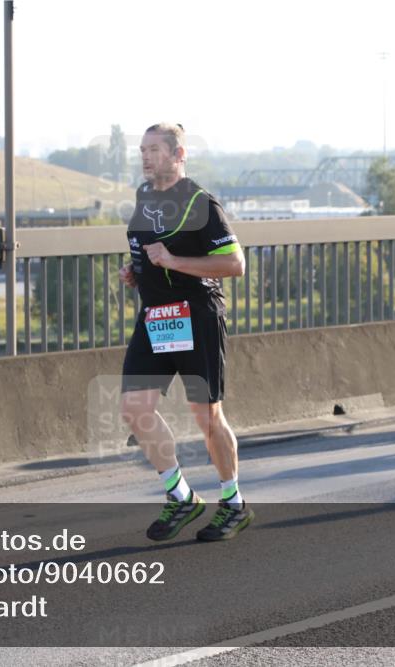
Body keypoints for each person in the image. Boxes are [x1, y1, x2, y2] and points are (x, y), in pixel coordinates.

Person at [118, 123, 252, 542]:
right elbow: (149, 250)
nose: (145, 157)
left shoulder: (200, 202)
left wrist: (173, 262)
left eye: (155, 150)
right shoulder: (144, 197)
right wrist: (136, 271)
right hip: (156, 317)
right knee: (134, 407)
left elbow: (234, 264)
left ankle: (233, 505)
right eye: (142, 150)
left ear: (179, 155)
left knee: (206, 417)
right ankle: (181, 495)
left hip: (196, 315)